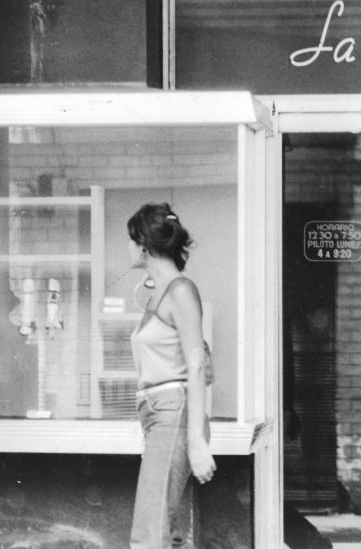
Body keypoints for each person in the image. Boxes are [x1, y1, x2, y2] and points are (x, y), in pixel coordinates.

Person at [126, 202, 217, 548]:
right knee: (168, 532)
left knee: (148, 534)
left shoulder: (180, 291)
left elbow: (196, 365)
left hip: (172, 413)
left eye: (130, 239)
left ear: (144, 245)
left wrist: (196, 443)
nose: (128, 246)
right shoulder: (160, 293)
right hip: (157, 413)